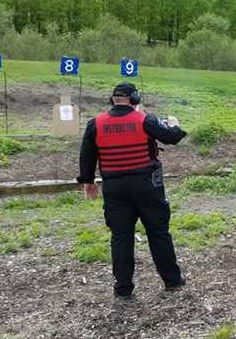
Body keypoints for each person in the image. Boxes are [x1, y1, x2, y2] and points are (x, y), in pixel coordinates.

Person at [77, 82, 186, 300]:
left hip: (114, 188)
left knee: (121, 237)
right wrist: (175, 125)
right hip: (146, 185)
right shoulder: (144, 119)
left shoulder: (96, 124)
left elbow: (87, 156)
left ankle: (123, 287)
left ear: (113, 99)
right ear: (134, 98)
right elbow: (171, 137)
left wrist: (88, 181)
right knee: (158, 232)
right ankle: (172, 280)